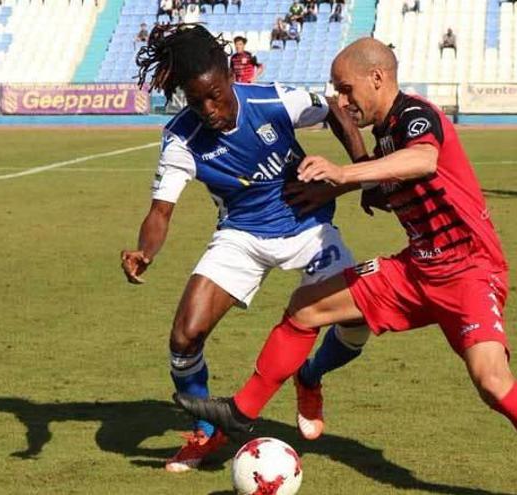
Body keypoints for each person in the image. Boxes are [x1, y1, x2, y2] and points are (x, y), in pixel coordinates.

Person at [174, 38, 517, 495]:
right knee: (307, 307)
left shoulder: (415, 115)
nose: (341, 102)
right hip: (415, 271)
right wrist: (348, 189)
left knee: (492, 381)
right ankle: (244, 411)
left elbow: (424, 160)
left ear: (378, 79)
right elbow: (392, 179)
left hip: (469, 270)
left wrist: (345, 174)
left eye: (346, 91)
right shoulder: (384, 133)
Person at [126, 24, 371, 473]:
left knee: (359, 323)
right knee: (184, 336)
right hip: (241, 235)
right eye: (196, 101)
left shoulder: (272, 100)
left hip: (307, 228)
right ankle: (206, 433)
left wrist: (357, 171)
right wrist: (145, 252)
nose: (209, 109)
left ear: (229, 75)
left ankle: (311, 376)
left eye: (215, 95)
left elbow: (336, 109)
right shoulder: (181, 139)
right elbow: (161, 212)